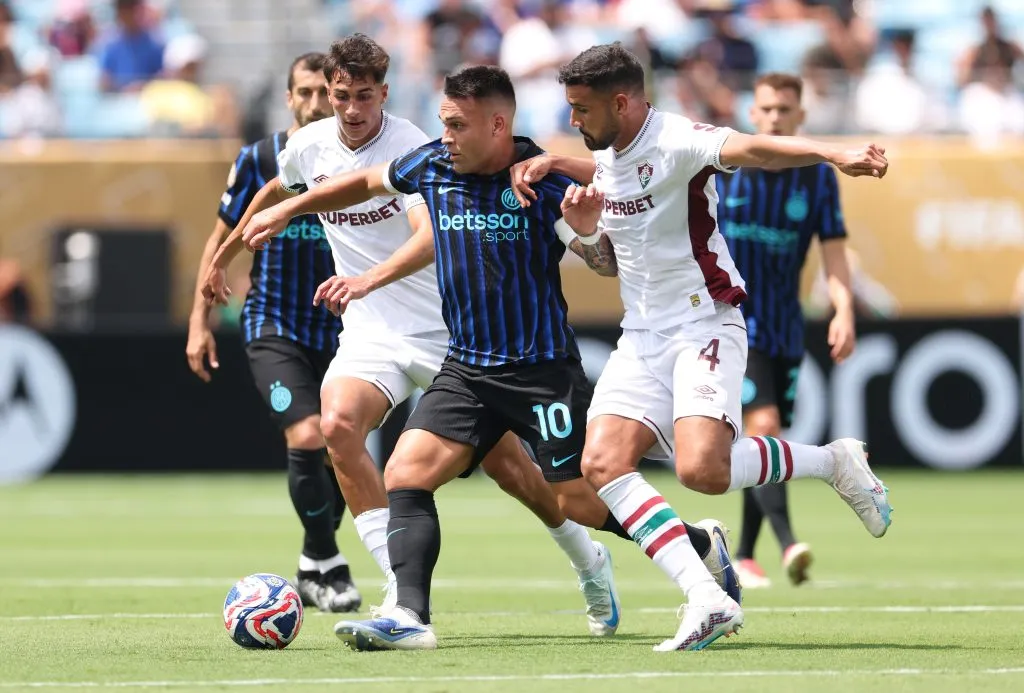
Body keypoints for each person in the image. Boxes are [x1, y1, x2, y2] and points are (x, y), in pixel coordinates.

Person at [237, 63, 740, 651]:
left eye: (456, 124)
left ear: (498, 124)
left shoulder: (542, 178)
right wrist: (285, 208)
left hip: (540, 371)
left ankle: (700, 548)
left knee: (576, 499)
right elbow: (364, 183)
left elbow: (604, 264)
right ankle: (409, 616)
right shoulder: (430, 165)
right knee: (405, 473)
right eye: (443, 122)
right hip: (466, 368)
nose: (444, 135)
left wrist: (588, 233)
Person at [202, 34, 634, 641]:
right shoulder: (308, 144)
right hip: (372, 329)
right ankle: (400, 598)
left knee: (519, 474)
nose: (351, 110)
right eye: (340, 96)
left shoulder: (420, 148)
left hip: (444, 329)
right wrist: (228, 252)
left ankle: (587, 556)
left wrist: (367, 277)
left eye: (363, 97)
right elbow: (284, 187)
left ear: (384, 93)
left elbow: (429, 235)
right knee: (337, 426)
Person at [512, 42, 891, 652]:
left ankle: (833, 462)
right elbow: (607, 261)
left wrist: (833, 153)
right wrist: (576, 224)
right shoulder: (607, 157)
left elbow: (754, 147)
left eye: (582, 110)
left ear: (621, 101)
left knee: (702, 472)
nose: (574, 121)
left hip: (704, 325)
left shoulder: (679, 138)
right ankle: (706, 596)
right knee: (600, 464)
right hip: (639, 335)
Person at [186, 52, 360, 614]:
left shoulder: (354, 158)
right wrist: (199, 322)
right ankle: (329, 564)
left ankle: (312, 562)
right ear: (289, 98)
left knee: (340, 446)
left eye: (322, 93)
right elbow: (219, 242)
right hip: (274, 325)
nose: (314, 103)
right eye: (304, 92)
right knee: (307, 434)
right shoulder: (259, 158)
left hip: (345, 330)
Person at [715, 72, 856, 589]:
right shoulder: (726, 165)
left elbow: (834, 253)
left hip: (785, 327)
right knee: (765, 426)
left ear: (800, 117)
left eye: (784, 110)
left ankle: (745, 555)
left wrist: (844, 310)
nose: (774, 118)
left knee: (764, 445)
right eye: (767, 109)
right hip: (733, 324)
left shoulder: (818, 177)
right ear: (753, 115)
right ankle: (789, 541)